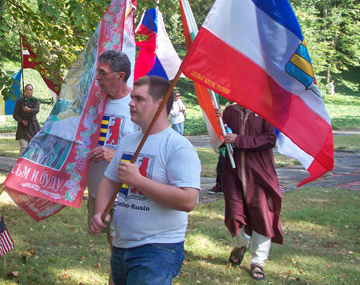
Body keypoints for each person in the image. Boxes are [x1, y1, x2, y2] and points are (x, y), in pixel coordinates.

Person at [90, 75, 201, 285]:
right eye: (132, 98)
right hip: (122, 245)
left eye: (139, 99)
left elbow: (188, 200)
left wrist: (138, 181)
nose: (130, 103)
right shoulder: (129, 141)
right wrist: (99, 212)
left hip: (158, 249)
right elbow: (109, 181)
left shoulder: (178, 147)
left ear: (160, 104)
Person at [87, 50, 140, 285]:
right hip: (99, 188)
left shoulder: (138, 105)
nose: (97, 77)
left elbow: (150, 147)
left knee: (122, 246)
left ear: (120, 75)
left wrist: (115, 154)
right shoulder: (96, 103)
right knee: (114, 244)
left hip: (127, 190)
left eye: (102, 72)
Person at [216, 103, 283, 281]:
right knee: (233, 213)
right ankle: (241, 244)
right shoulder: (230, 111)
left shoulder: (266, 110)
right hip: (233, 171)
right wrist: (217, 121)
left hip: (260, 172)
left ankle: (258, 261)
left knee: (262, 214)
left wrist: (239, 140)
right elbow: (221, 138)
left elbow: (270, 139)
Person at [13, 84, 41, 154]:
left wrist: (29, 110)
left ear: (32, 91)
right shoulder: (20, 101)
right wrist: (21, 121)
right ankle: (22, 163)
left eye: (30, 90)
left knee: (33, 148)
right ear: (24, 91)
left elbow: (36, 110)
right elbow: (15, 114)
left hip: (33, 127)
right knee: (23, 147)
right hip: (22, 129)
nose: (29, 91)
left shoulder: (35, 101)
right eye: (27, 89)